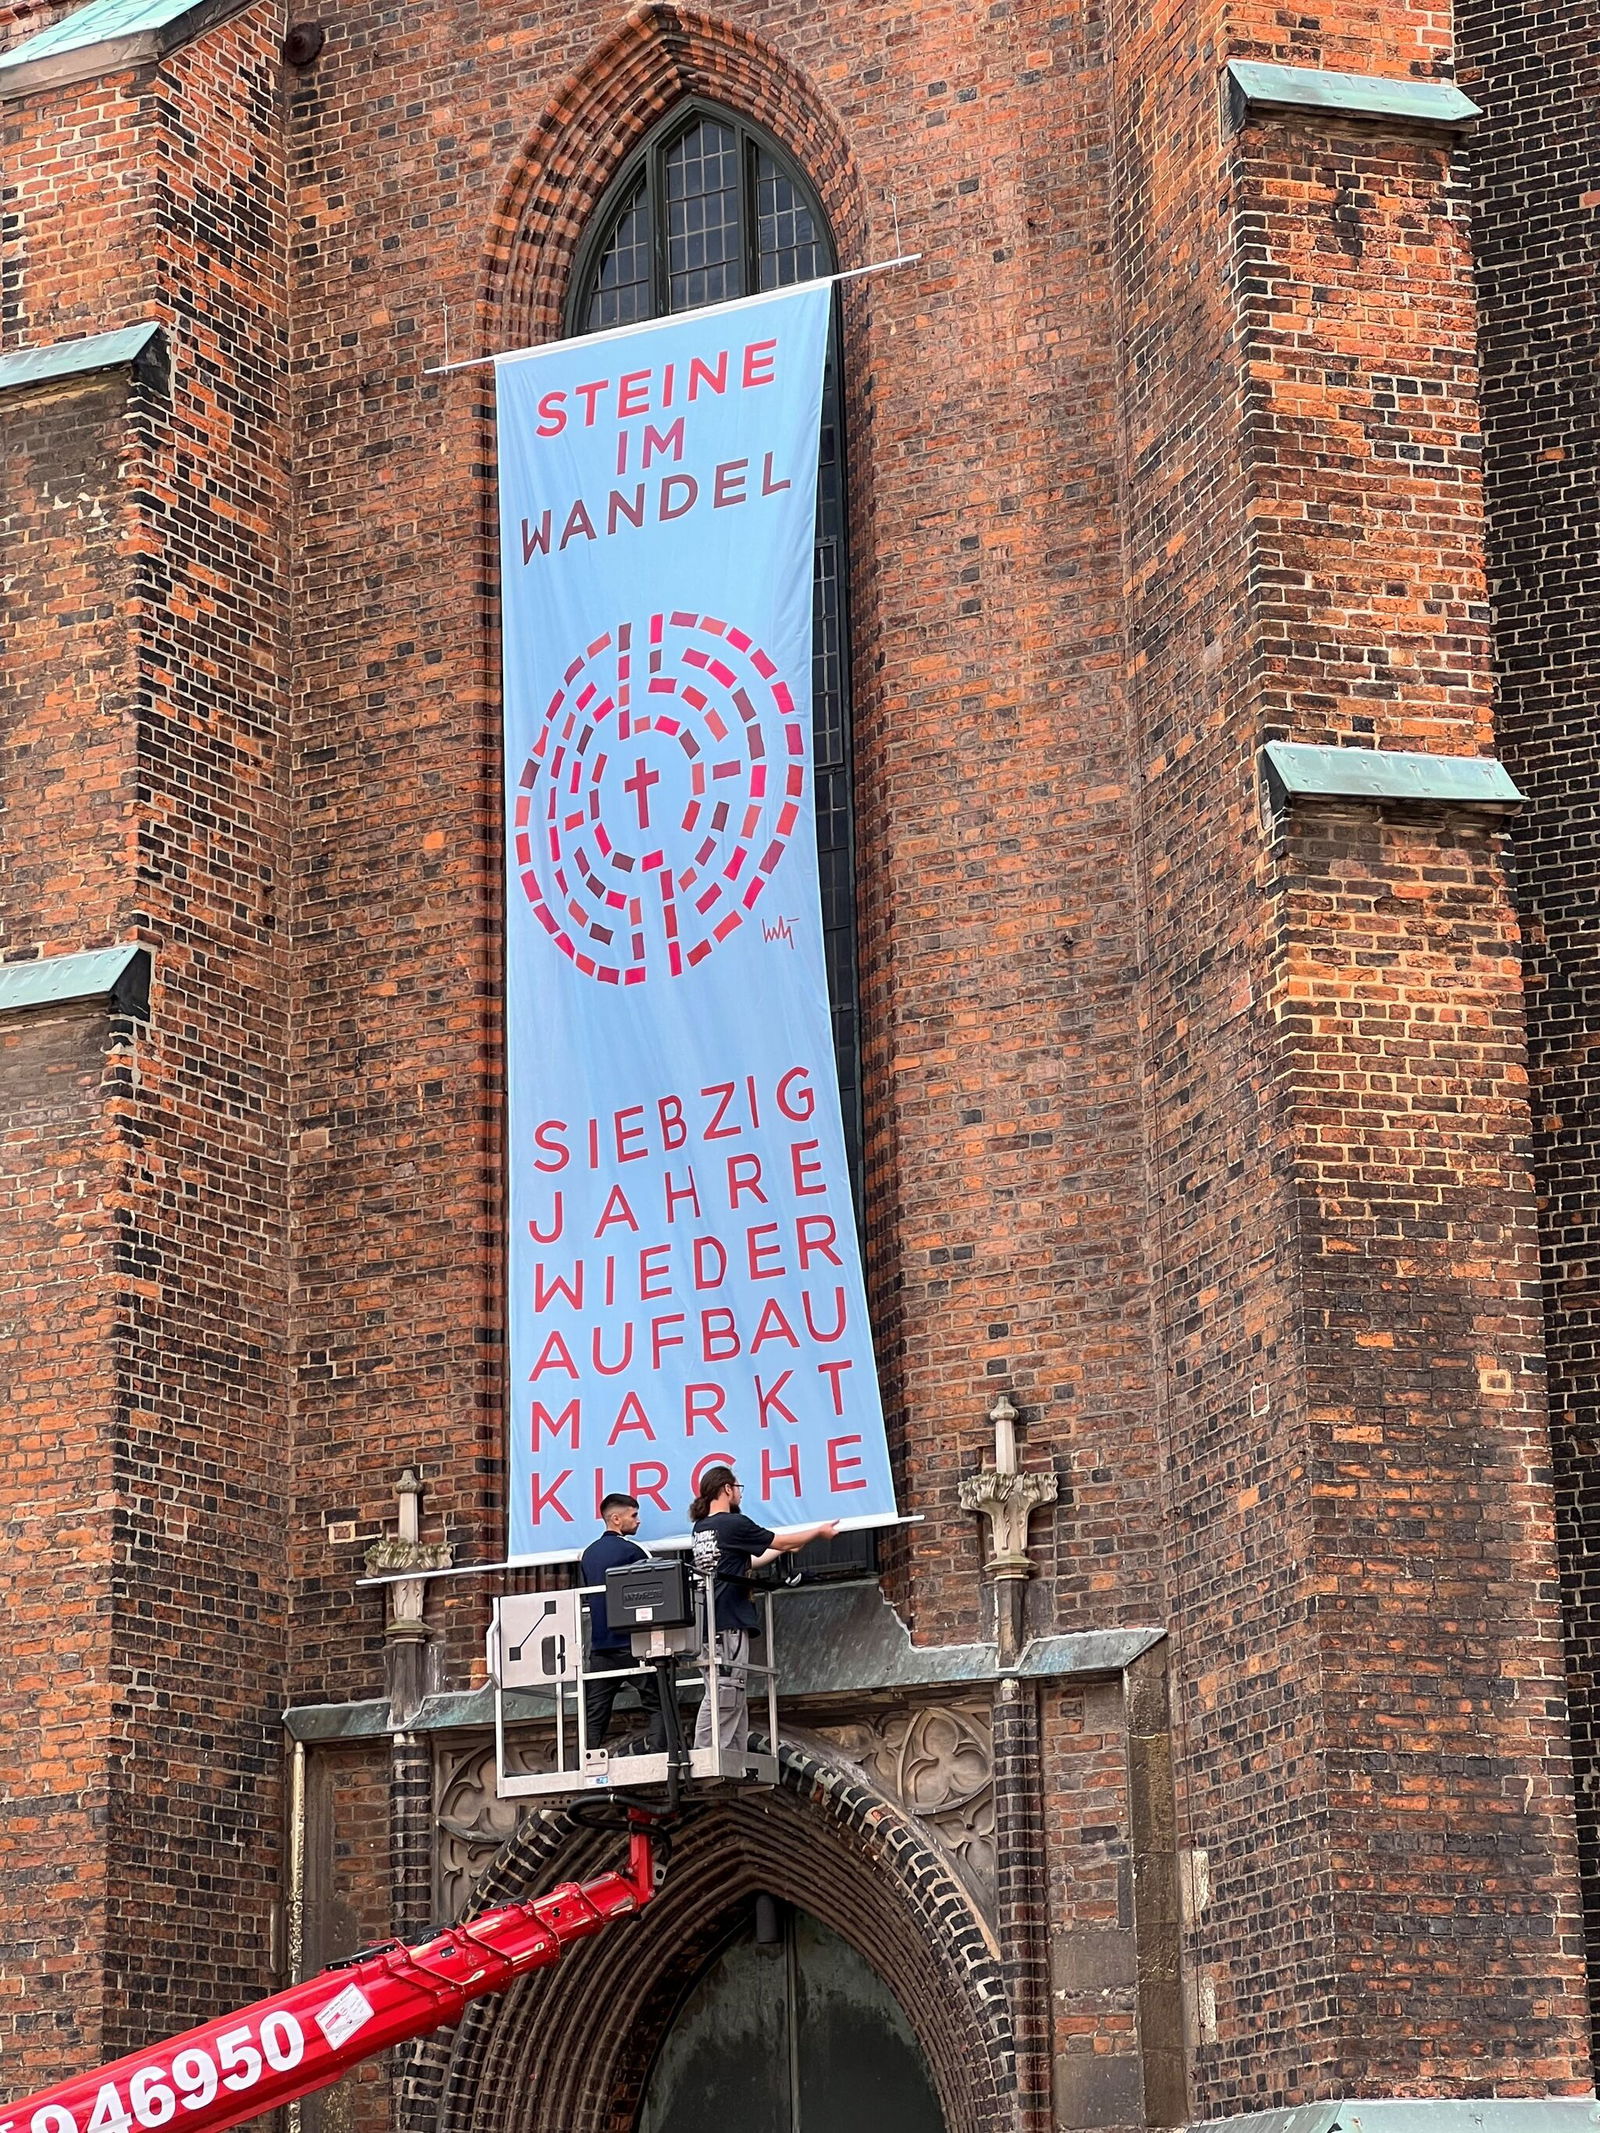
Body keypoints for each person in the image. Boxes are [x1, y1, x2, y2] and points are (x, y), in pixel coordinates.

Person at [689, 1466, 838, 1760]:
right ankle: (707, 1755)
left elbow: (745, 1561)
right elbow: (781, 1541)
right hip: (728, 1621)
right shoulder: (733, 1524)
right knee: (726, 1689)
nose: (740, 1493)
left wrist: (786, 1547)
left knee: (729, 1690)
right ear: (726, 1488)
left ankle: (731, 1755)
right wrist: (818, 1532)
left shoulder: (702, 1528)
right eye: (738, 1487)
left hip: (709, 1622)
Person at [579, 1494, 666, 1752]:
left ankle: (585, 1759)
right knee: (658, 1702)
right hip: (633, 1643)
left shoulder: (588, 1555)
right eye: (634, 1515)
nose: (638, 1521)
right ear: (616, 1519)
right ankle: (661, 1754)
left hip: (600, 1646)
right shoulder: (633, 1551)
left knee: (595, 1712)